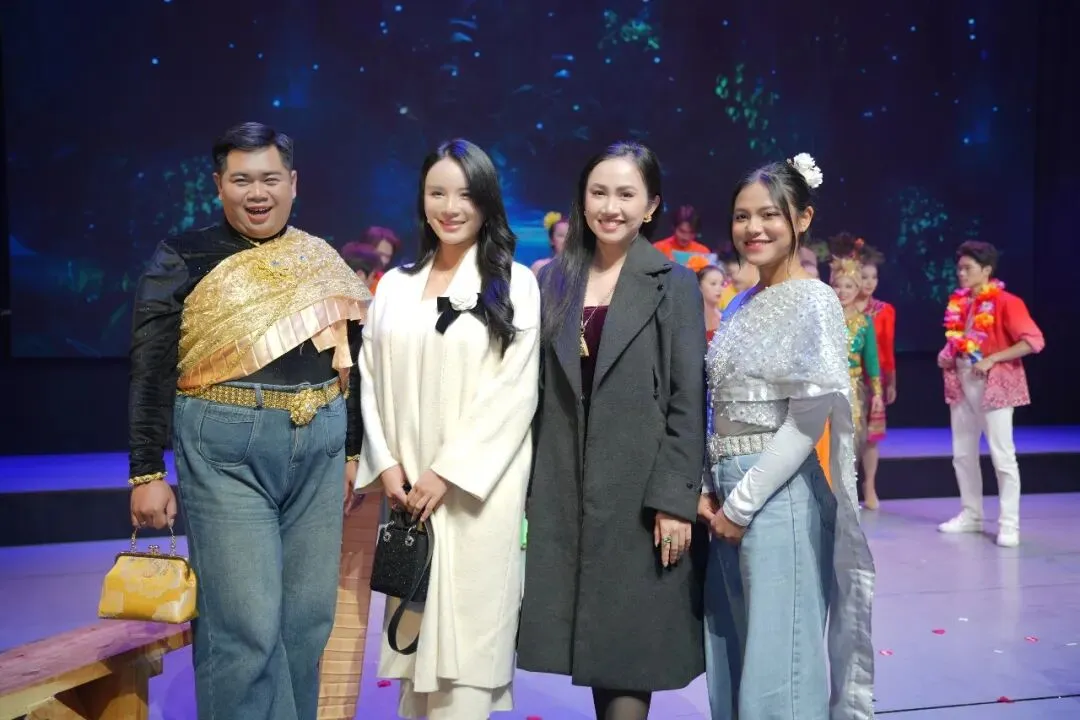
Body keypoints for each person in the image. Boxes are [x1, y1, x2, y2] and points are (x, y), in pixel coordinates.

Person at [127, 122, 372, 720]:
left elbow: (352, 363)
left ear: (293, 183)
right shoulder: (182, 256)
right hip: (225, 451)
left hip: (319, 450)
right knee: (245, 628)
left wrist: (350, 451)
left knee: (307, 624)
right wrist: (145, 472)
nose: (257, 193)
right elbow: (151, 366)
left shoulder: (320, 259)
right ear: (219, 185)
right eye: (241, 180)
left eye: (270, 179)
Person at [519, 141, 706, 720]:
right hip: (564, 486)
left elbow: (687, 398)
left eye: (626, 194)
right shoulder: (553, 281)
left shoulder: (673, 283)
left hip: (638, 492)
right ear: (582, 200)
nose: (611, 206)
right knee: (590, 638)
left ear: (651, 206)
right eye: (599, 192)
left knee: (628, 648)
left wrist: (674, 499)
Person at [355, 139, 541, 718]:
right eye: (437, 193)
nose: (450, 207)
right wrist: (387, 465)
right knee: (413, 654)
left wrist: (447, 473)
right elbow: (369, 378)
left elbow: (514, 393)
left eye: (465, 194)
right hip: (409, 496)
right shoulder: (395, 285)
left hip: (474, 497)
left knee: (467, 662)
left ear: (486, 201)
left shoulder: (515, 283)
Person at [701, 154, 875, 720]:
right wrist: (707, 487)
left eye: (768, 215)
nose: (753, 228)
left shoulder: (814, 300)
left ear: (802, 218)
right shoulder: (740, 302)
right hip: (725, 495)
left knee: (780, 670)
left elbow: (806, 421)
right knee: (735, 657)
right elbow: (716, 403)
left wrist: (741, 505)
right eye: (742, 216)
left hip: (776, 498)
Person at [937, 241, 1044, 547]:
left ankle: (1009, 524)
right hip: (961, 382)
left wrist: (993, 358)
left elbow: (1034, 341)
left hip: (993, 385)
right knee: (962, 453)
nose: (961, 273)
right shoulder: (960, 303)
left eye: (967, 268)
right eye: (959, 268)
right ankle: (971, 514)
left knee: (1002, 455)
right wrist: (947, 353)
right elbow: (961, 341)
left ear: (986, 270)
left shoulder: (1007, 302)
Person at [830, 254, 885, 506]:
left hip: (853, 389)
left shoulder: (864, 322)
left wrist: (877, 394)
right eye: (837, 285)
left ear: (857, 289)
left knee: (851, 440)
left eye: (848, 286)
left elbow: (871, 360)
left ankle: (847, 494)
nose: (842, 291)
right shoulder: (823, 319)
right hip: (824, 388)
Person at [852, 240, 896, 509]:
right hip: (849, 377)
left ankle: (869, 485)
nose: (869, 283)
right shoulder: (844, 308)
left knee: (871, 436)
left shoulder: (883, 310)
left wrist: (890, 380)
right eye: (864, 277)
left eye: (873, 277)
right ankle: (848, 485)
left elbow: (887, 349)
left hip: (874, 379)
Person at [531, 211, 570, 275]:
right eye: (561, 235)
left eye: (571, 236)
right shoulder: (539, 267)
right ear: (551, 240)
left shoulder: (582, 268)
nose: (567, 239)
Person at [698, 265, 725, 343]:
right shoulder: (689, 320)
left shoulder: (726, 318)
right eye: (713, 284)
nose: (719, 289)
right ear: (699, 286)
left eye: (722, 284)